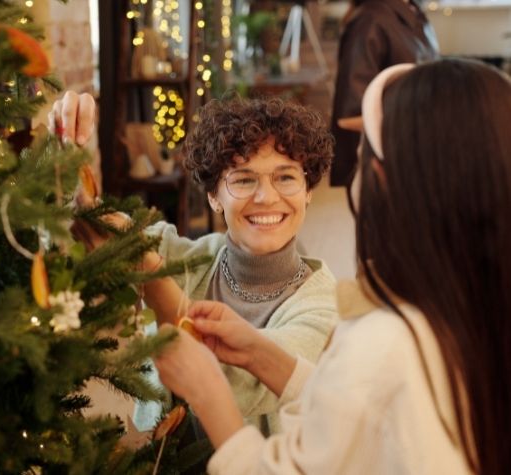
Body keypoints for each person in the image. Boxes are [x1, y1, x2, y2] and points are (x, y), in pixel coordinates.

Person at [153, 58, 511, 474]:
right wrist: (260, 354)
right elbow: (364, 412)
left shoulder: (383, 336)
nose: (266, 197)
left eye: (362, 157)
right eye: (244, 179)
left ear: (387, 180)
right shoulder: (474, 308)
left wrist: (206, 387)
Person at [49, 93, 338, 435]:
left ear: (308, 190)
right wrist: (66, 154)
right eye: (244, 179)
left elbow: (241, 384)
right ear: (214, 196)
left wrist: (152, 276)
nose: (267, 197)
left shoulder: (325, 308)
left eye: (286, 177)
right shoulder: (186, 259)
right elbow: (74, 231)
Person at [330, 0, 438, 186]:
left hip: (417, 149)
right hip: (389, 158)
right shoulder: (370, 20)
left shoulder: (415, 14)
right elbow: (352, 112)